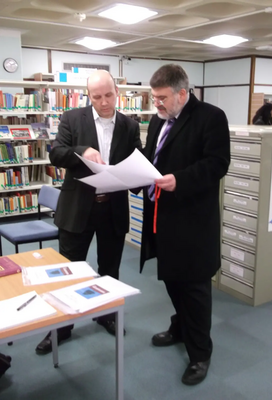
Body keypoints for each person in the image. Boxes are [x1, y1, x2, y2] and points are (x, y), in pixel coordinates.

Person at [35, 70, 141, 354]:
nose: (104, 102)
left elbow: (137, 158)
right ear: (88, 95)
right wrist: (83, 151)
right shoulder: (72, 118)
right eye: (97, 97)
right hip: (77, 208)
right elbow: (57, 154)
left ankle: (106, 314)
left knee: (110, 269)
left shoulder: (130, 126)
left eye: (108, 95)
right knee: (68, 271)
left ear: (116, 91)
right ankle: (61, 328)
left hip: (113, 208)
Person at [140, 64, 230, 386]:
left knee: (194, 289)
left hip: (192, 223)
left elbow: (218, 164)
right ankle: (180, 327)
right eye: (154, 98)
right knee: (171, 279)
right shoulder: (157, 120)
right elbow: (152, 157)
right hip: (161, 219)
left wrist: (181, 180)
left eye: (162, 98)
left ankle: (200, 353)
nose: (157, 104)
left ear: (182, 93)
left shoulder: (211, 117)